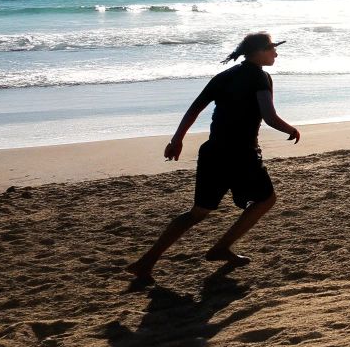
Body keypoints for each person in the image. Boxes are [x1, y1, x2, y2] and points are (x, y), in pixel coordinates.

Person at [126, 32, 300, 284]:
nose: (276, 53)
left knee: (198, 211)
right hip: (242, 154)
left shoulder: (224, 76)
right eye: (272, 48)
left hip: (213, 152)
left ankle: (146, 262)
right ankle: (221, 247)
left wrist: (177, 140)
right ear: (259, 51)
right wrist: (291, 129)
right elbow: (269, 116)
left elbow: (195, 108)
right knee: (266, 200)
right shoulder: (260, 77)